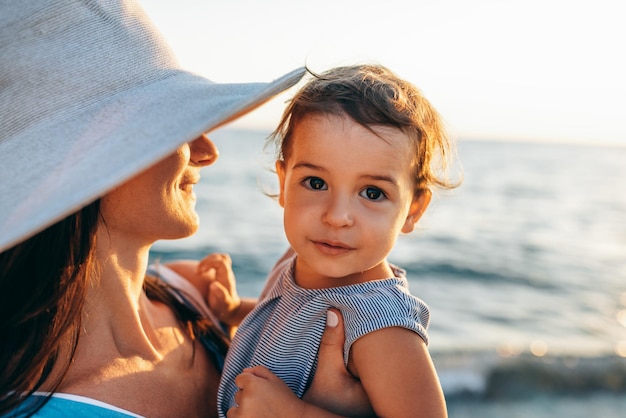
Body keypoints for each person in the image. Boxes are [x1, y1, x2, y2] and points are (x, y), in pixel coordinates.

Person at [0, 1, 372, 417]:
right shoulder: (33, 406)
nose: (206, 150)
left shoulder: (193, 295)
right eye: (170, 126)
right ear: (85, 160)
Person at [214, 65, 459, 417]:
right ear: (283, 182)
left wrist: (293, 414)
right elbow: (295, 316)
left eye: (372, 192)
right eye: (315, 183)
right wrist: (233, 310)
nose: (336, 216)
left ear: (413, 209)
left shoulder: (381, 327)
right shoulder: (297, 260)